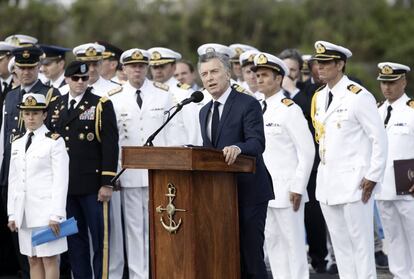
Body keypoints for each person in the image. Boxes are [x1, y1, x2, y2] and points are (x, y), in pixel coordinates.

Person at [311, 40, 387, 278]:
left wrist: (372, 176)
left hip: (356, 182)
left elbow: (379, 139)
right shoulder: (320, 96)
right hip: (328, 183)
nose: (319, 67)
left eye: (325, 63)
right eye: (318, 63)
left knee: (361, 246)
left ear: (340, 64)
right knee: (341, 246)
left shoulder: (358, 95)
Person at [108, 48, 186, 279]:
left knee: (162, 228)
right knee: (134, 231)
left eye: (141, 66)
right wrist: (116, 172)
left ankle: (161, 272)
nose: (137, 70)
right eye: (132, 66)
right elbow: (114, 140)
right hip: (130, 174)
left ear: (147, 68)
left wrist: (173, 167)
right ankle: (137, 275)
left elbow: (174, 133)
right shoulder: (115, 96)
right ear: (124, 69)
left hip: (159, 172)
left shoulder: (163, 94)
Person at [198, 51, 274, 278]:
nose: (209, 78)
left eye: (214, 71)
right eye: (204, 74)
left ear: (228, 73)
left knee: (251, 257)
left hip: (249, 192)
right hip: (220, 195)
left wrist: (238, 148)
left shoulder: (247, 103)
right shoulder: (204, 111)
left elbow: (257, 142)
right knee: (227, 256)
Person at [49, 61, 119, 279]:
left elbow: (110, 144)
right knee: (75, 241)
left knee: (101, 241)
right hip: (67, 187)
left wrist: (107, 182)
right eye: (75, 78)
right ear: (67, 79)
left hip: (92, 186)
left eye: (84, 78)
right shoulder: (56, 104)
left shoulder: (100, 104)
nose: (80, 82)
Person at [253, 52, 314, 279]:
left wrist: (298, 186)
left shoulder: (290, 109)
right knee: (273, 244)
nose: (259, 79)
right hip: (263, 190)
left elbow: (307, 152)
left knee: (294, 246)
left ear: (279, 79)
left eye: (265, 75)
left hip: (288, 191)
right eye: (257, 75)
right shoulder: (256, 107)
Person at [7, 93, 69, 279]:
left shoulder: (54, 141)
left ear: (44, 114)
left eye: (35, 112)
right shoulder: (17, 142)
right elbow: (14, 180)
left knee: (49, 259)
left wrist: (56, 214)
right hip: (24, 212)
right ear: (22, 115)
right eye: (27, 113)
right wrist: (12, 213)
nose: (31, 117)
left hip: (46, 212)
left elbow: (61, 180)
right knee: (32, 259)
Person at [375, 62, 414, 278]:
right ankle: (400, 275)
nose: (387, 88)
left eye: (392, 82)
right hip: (383, 185)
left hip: (408, 181)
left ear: (404, 82)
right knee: (393, 236)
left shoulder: (411, 111)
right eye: (384, 83)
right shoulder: (377, 111)